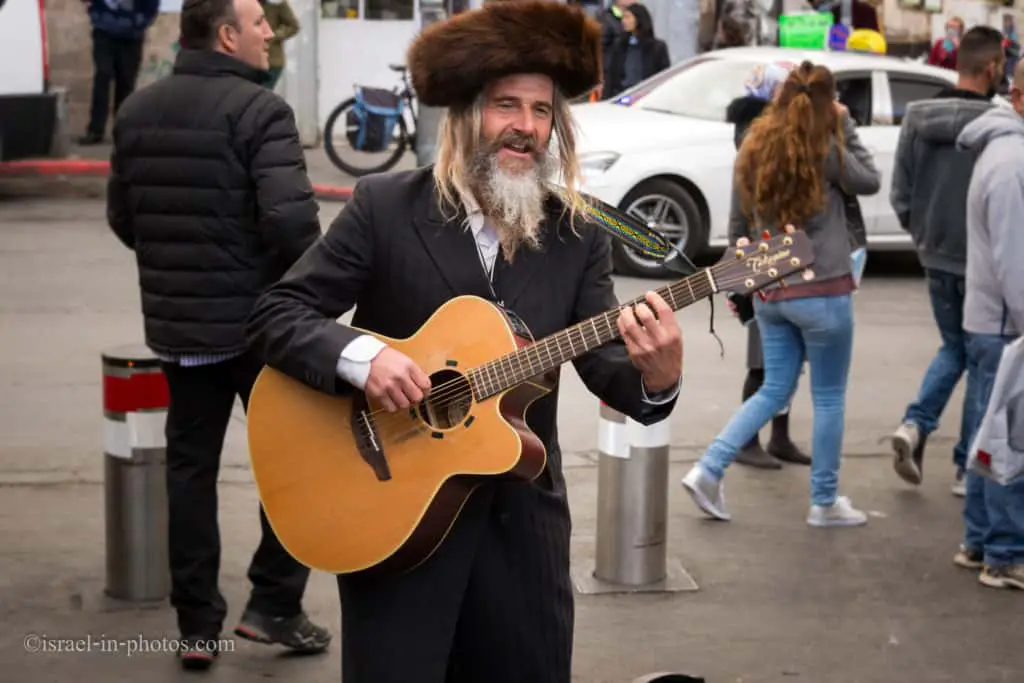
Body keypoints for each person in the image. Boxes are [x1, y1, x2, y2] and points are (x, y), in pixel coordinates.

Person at [245, 2, 683, 681]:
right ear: (465, 115)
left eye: (542, 111)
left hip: (522, 542)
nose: (526, 127)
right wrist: (364, 359)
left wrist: (658, 377)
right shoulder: (386, 208)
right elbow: (279, 313)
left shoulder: (577, 234)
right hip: (393, 527)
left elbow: (607, 366)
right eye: (507, 105)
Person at [106, 0, 331, 670]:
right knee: (296, 463)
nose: (269, 33)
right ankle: (275, 605)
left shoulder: (137, 111)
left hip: (180, 330)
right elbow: (292, 226)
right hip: (260, 328)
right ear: (227, 35)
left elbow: (125, 218)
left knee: (190, 470)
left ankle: (196, 627)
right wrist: (301, 298)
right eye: (259, 22)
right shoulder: (261, 111)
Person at [681, 61, 881, 527]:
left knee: (774, 388)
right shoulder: (826, 147)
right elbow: (869, 180)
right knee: (829, 397)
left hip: (772, 290)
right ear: (826, 102)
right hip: (825, 289)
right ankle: (825, 502)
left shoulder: (754, 146)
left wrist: (741, 283)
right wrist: (845, 122)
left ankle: (708, 468)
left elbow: (736, 225)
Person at [888, 26, 1005, 497]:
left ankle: (915, 426)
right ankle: (963, 466)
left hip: (934, 256)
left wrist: (924, 237)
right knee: (978, 360)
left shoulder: (917, 118)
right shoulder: (998, 128)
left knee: (954, 348)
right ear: (993, 68)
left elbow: (901, 192)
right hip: (981, 263)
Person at [953, 59, 1024, 589]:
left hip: (993, 319)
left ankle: (982, 542)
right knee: (1009, 439)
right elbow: (1013, 256)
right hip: (1004, 322)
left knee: (990, 431)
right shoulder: (1012, 160)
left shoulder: (1002, 152)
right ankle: (1004, 552)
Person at [723, 61, 811, 470]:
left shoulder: (773, 137)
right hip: (762, 261)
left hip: (784, 259)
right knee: (763, 361)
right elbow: (739, 217)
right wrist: (740, 273)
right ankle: (745, 442)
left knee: (788, 360)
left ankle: (778, 437)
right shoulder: (755, 143)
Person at [78, 0, 160, 145]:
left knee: (126, 82)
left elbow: (152, 5)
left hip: (131, 35)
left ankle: (122, 130)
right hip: (104, 31)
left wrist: (141, 22)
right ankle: (95, 130)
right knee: (102, 75)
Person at [602, 3, 671, 99]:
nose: (623, 21)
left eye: (627, 17)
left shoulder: (657, 47)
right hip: (621, 95)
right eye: (623, 18)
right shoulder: (619, 45)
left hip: (646, 97)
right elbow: (611, 76)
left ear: (639, 19)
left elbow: (664, 76)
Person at [259, 0, 300, 90]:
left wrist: (274, 35)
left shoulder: (277, 3)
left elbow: (293, 26)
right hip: (250, 59)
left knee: (263, 93)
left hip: (272, 59)